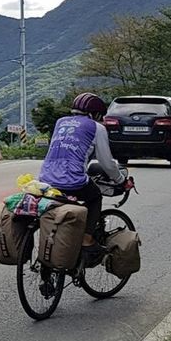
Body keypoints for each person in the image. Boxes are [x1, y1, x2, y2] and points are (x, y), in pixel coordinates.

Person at [38, 93, 129, 256]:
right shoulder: (97, 128)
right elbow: (107, 163)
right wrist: (121, 180)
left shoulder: (60, 122)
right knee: (94, 197)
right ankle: (86, 239)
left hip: (45, 179)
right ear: (96, 114)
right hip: (73, 179)